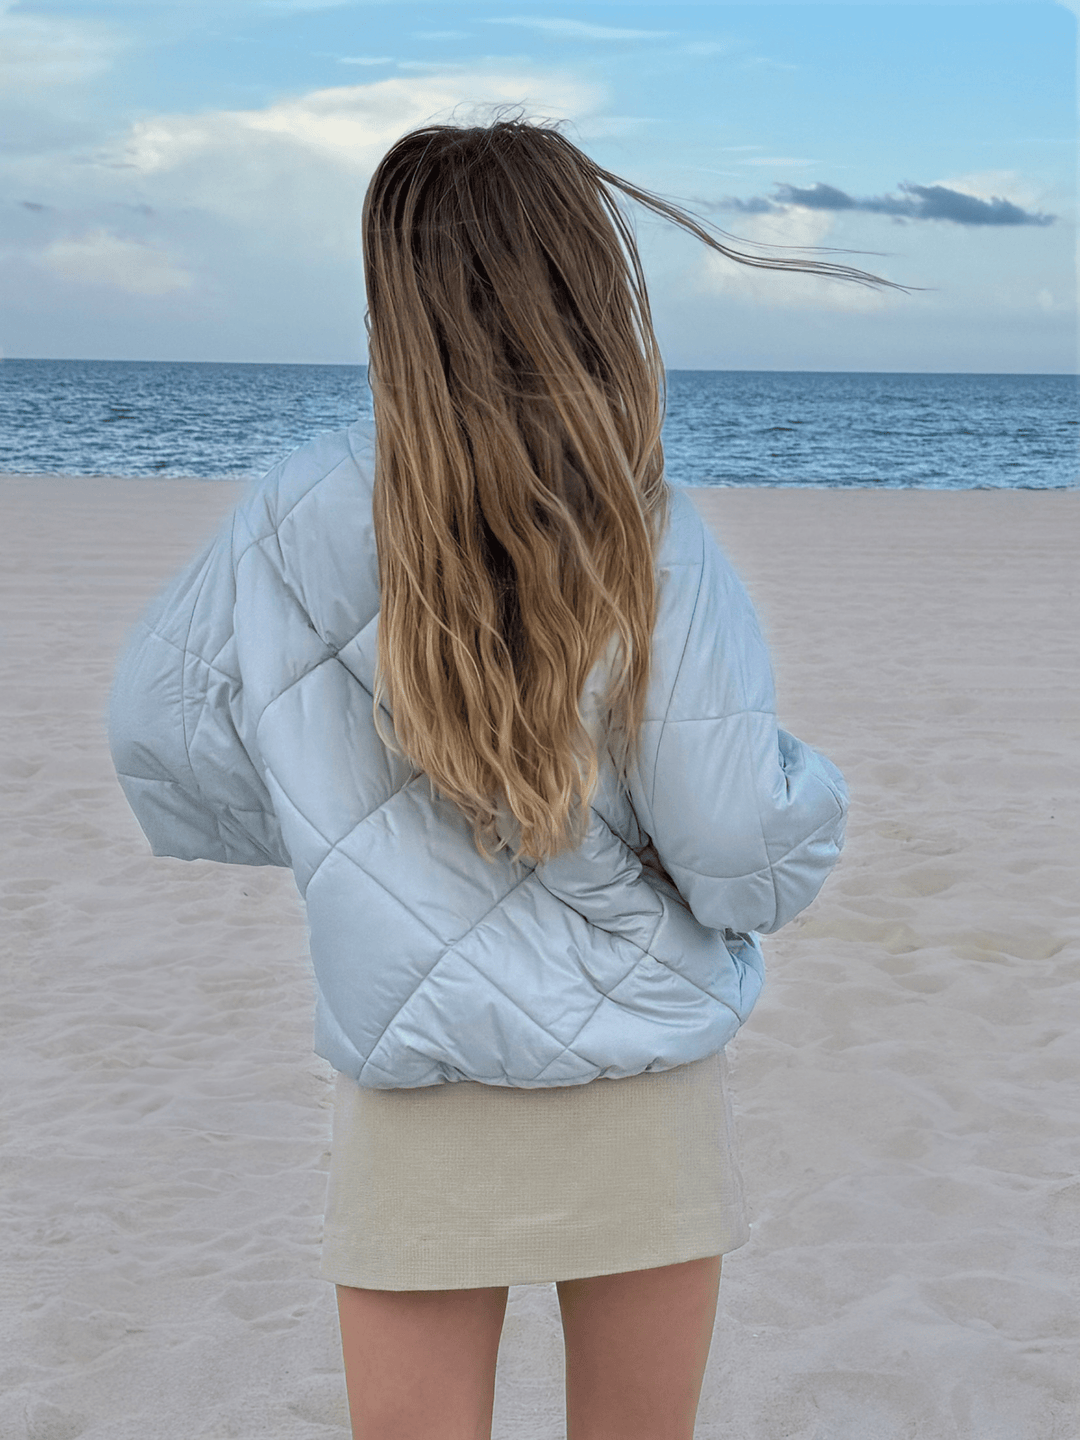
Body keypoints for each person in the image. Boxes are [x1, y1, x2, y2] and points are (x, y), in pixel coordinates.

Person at [109, 118, 888, 1440]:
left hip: (419, 1084)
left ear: (394, 296)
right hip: (636, 1077)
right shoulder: (648, 529)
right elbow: (730, 832)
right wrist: (814, 811)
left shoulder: (297, 505)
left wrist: (343, 833)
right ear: (591, 287)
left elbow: (159, 735)